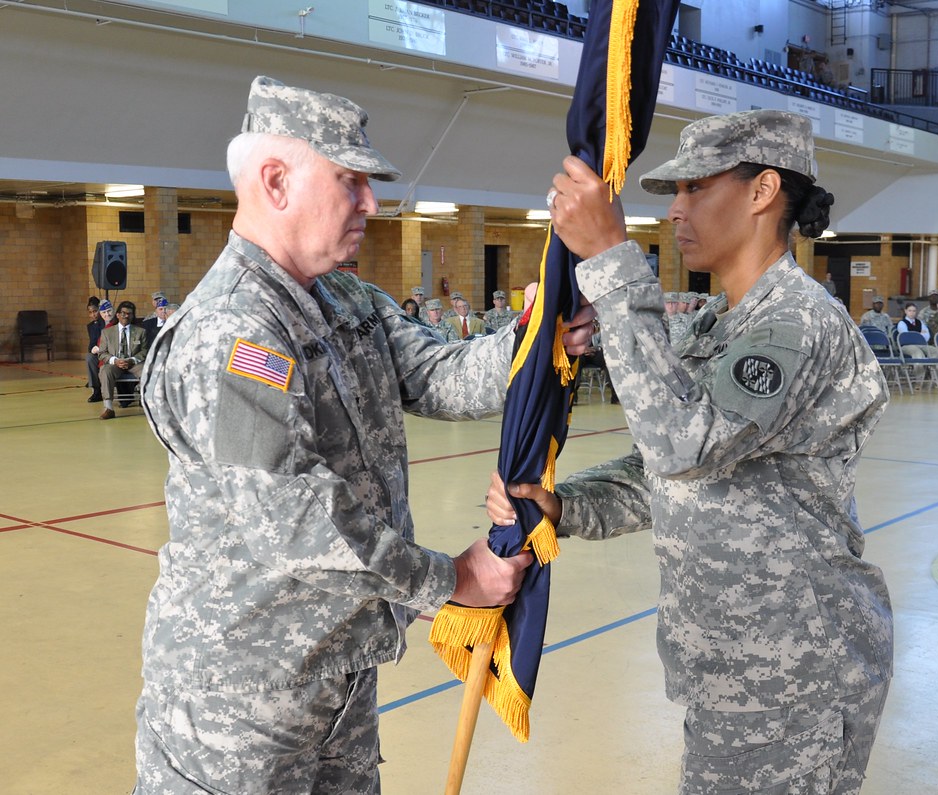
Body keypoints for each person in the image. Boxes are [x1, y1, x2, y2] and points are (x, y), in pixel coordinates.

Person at [132, 75, 594, 793]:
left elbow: (442, 374)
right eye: (350, 181)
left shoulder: (348, 300)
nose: (371, 204)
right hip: (240, 705)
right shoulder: (233, 333)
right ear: (276, 181)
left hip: (339, 678)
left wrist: (535, 339)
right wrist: (453, 581)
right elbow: (303, 525)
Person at [492, 109, 892, 794]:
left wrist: (614, 268)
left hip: (794, 674)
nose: (675, 210)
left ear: (764, 191)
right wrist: (564, 504)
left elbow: (687, 444)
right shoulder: (721, 323)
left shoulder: (796, 322)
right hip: (732, 666)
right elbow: (669, 473)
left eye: (696, 188)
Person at [96, 300, 147, 420]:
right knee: (105, 371)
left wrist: (132, 360)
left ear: (133, 315)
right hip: (115, 363)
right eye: (123, 313)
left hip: (134, 362)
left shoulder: (140, 332)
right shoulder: (107, 332)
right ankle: (108, 408)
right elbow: (102, 353)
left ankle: (147, 404)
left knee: (147, 370)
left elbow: (144, 351)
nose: (126, 316)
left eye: (129, 313)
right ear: (118, 315)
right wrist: (115, 360)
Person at [85, 297, 105, 402]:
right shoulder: (90, 326)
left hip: (107, 352)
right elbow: (91, 344)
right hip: (97, 353)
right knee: (89, 358)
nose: (93, 315)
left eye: (95, 311)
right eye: (90, 312)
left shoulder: (105, 322)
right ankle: (96, 390)